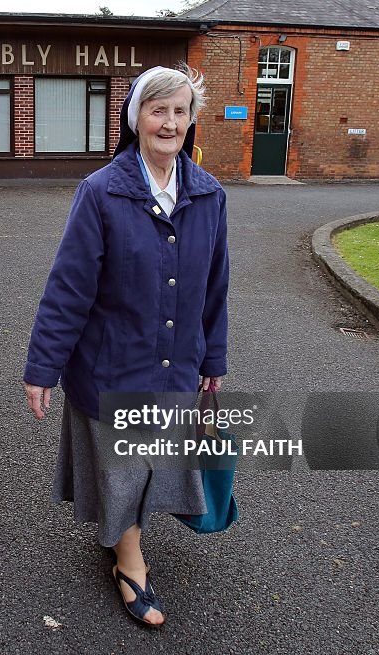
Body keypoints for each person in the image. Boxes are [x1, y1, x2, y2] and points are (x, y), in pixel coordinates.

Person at [22, 65, 229, 626]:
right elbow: (68, 288)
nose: (169, 123)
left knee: (152, 462)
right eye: (157, 110)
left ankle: (120, 536)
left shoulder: (209, 196)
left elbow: (216, 286)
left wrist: (213, 359)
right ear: (134, 118)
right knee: (125, 466)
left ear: (191, 121)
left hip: (176, 365)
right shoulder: (100, 193)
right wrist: (43, 367)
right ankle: (129, 563)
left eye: (180, 111)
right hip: (112, 363)